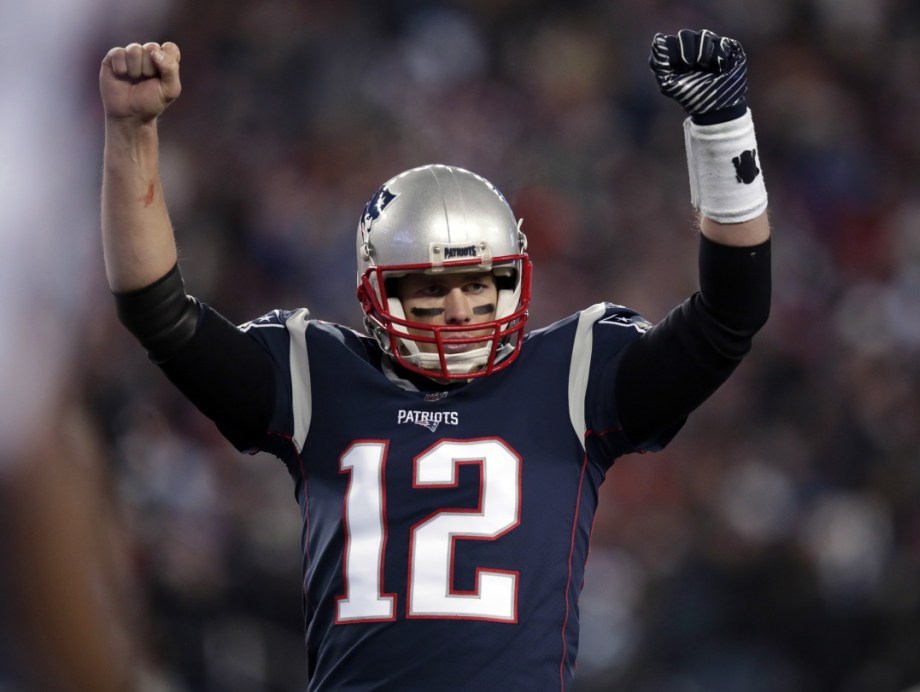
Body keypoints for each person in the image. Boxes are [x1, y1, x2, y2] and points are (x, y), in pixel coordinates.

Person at [99, 28, 771, 690]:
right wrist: (132, 134)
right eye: (429, 290)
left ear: (513, 281)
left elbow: (727, 318)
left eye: (479, 285)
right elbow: (158, 310)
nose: (458, 311)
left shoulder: (574, 373)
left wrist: (723, 132)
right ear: (375, 293)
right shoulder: (317, 375)